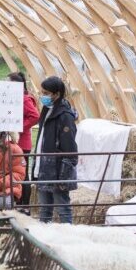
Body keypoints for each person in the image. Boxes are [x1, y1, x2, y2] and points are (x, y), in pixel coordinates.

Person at [32, 76, 78, 224]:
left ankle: (68, 239)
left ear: (56, 94)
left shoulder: (65, 115)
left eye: (46, 93)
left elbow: (69, 145)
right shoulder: (47, 110)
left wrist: (65, 172)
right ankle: (44, 242)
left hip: (57, 168)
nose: (42, 96)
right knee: (45, 208)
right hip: (44, 166)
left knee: (62, 207)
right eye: (42, 92)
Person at [8, 72, 41, 210]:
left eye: (9, 83)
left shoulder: (25, 99)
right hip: (14, 141)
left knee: (22, 174)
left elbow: (35, 116)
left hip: (22, 142)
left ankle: (25, 205)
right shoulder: (14, 98)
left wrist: (18, 127)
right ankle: (18, 202)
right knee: (13, 172)